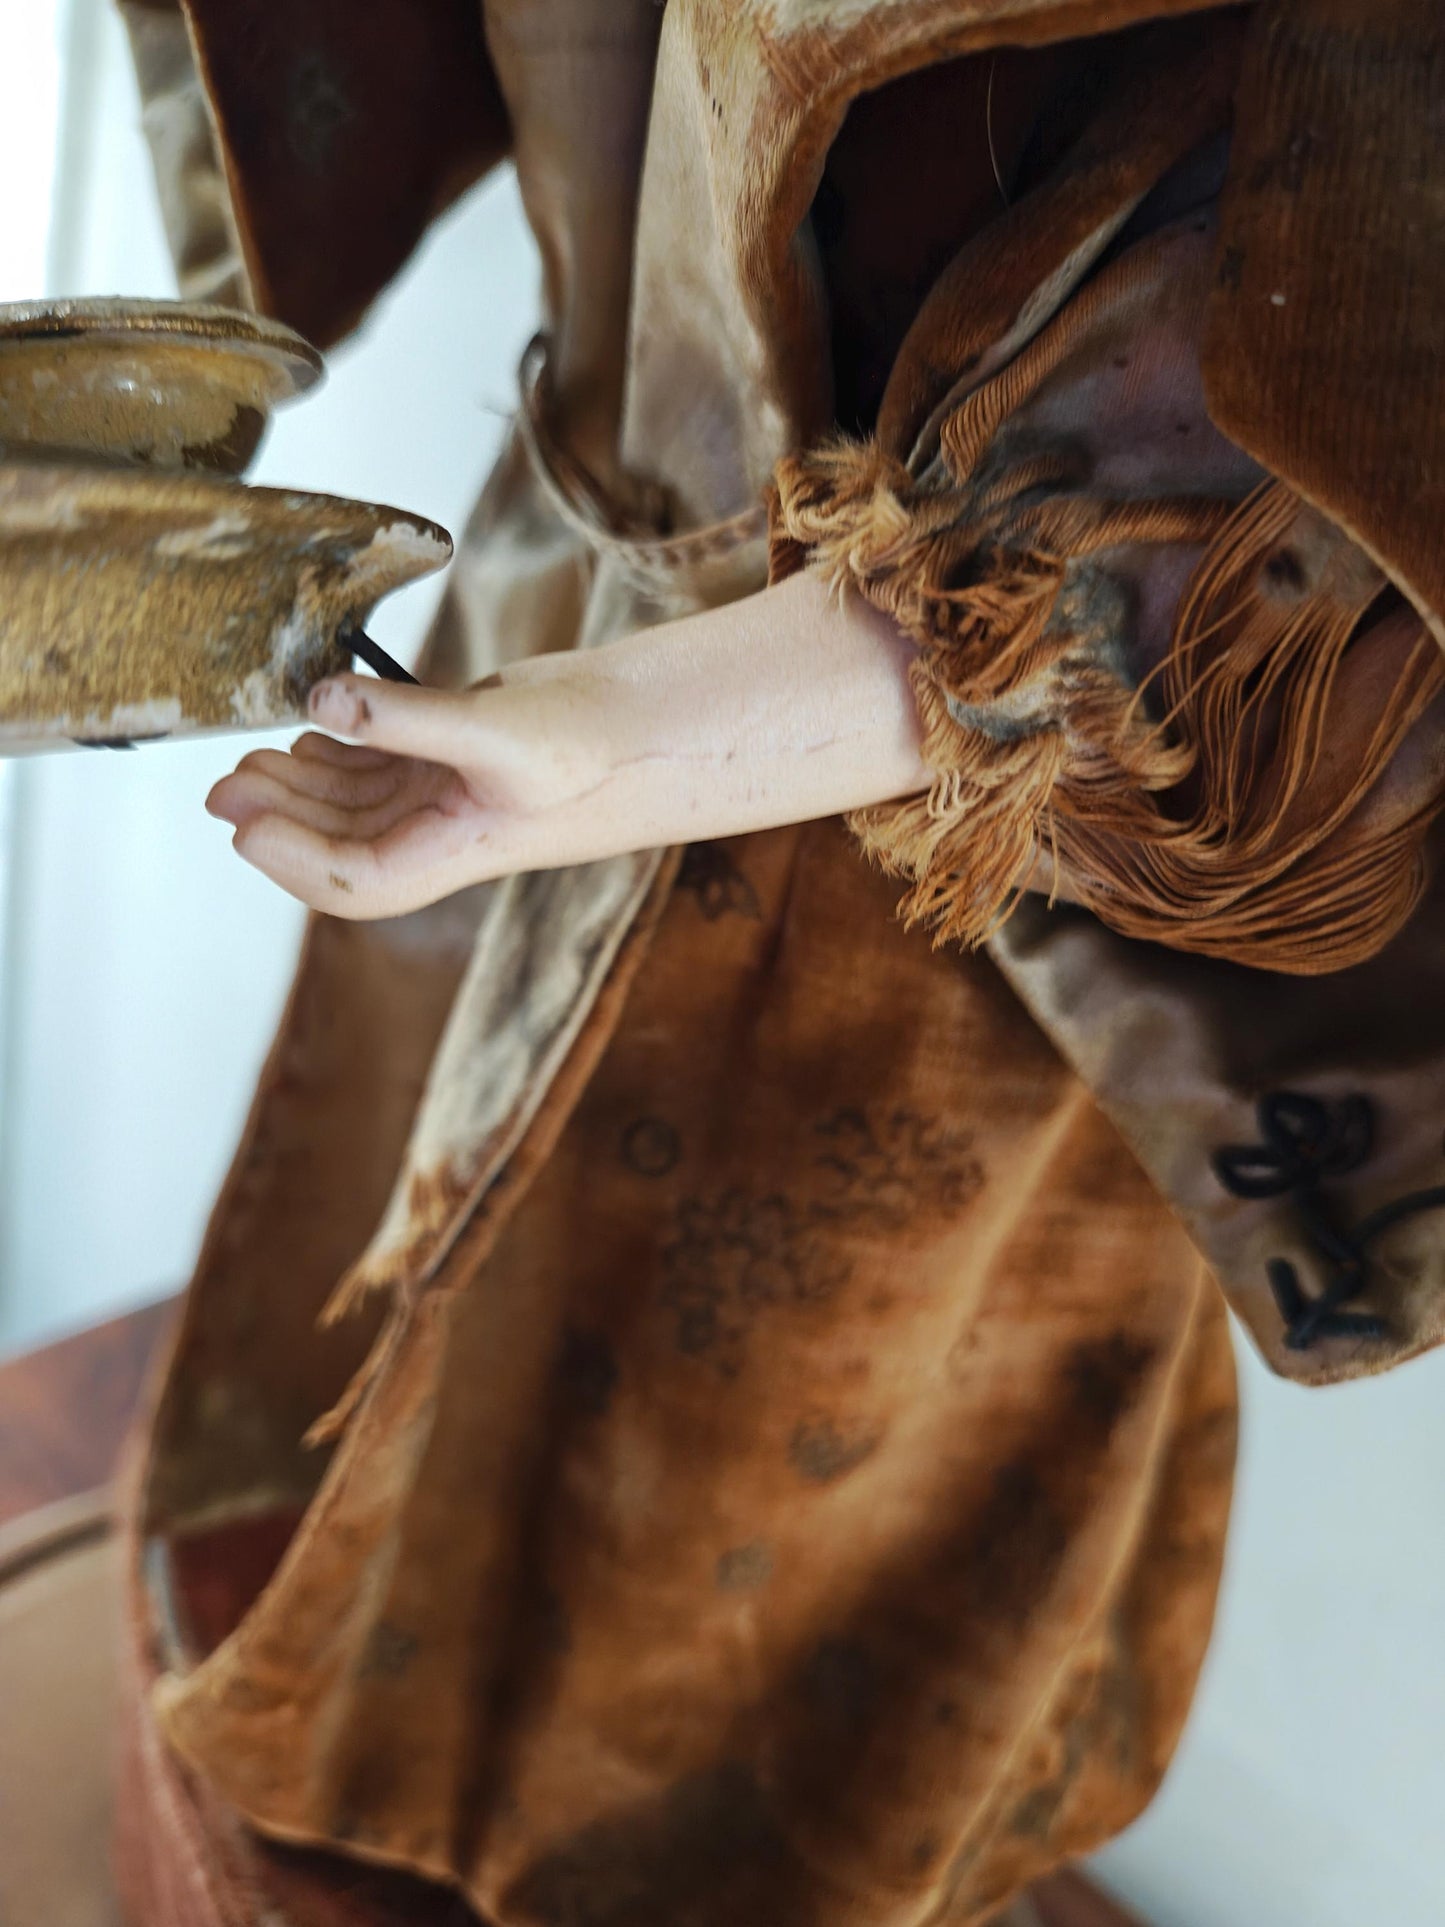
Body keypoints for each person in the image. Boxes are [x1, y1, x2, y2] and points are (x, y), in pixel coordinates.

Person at [115, 2, 1443, 1923]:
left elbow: (1324, 440)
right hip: (573, 598)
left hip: (954, 893)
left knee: (745, 1659)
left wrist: (615, 746)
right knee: (418, 1454)